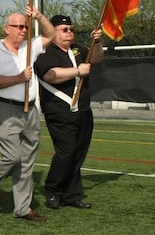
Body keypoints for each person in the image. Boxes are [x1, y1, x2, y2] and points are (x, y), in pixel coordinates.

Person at [0, 6, 54, 223]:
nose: (23, 30)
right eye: (18, 26)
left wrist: (38, 16)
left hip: (30, 109)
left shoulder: (30, 47)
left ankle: (23, 207)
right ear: (6, 29)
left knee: (27, 161)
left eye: (25, 26)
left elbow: (51, 35)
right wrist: (19, 78)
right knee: (12, 156)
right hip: (6, 108)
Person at [34, 15, 104, 210]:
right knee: (66, 152)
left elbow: (96, 58)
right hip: (60, 110)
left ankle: (71, 194)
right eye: (64, 29)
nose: (69, 33)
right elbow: (49, 75)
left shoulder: (77, 49)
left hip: (82, 109)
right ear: (53, 31)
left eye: (71, 29)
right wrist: (77, 71)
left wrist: (97, 42)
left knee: (78, 154)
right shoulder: (47, 52)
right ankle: (53, 190)